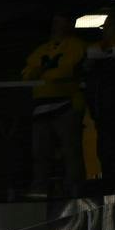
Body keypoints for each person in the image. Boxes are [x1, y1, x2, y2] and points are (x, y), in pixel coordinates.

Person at [22, 14, 88, 197]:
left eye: (62, 22)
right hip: (41, 107)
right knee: (40, 152)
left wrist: (45, 73)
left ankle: (75, 187)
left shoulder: (78, 46)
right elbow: (27, 74)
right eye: (55, 22)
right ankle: (40, 187)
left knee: (71, 149)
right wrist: (43, 71)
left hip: (67, 104)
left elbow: (67, 68)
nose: (57, 26)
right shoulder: (40, 50)